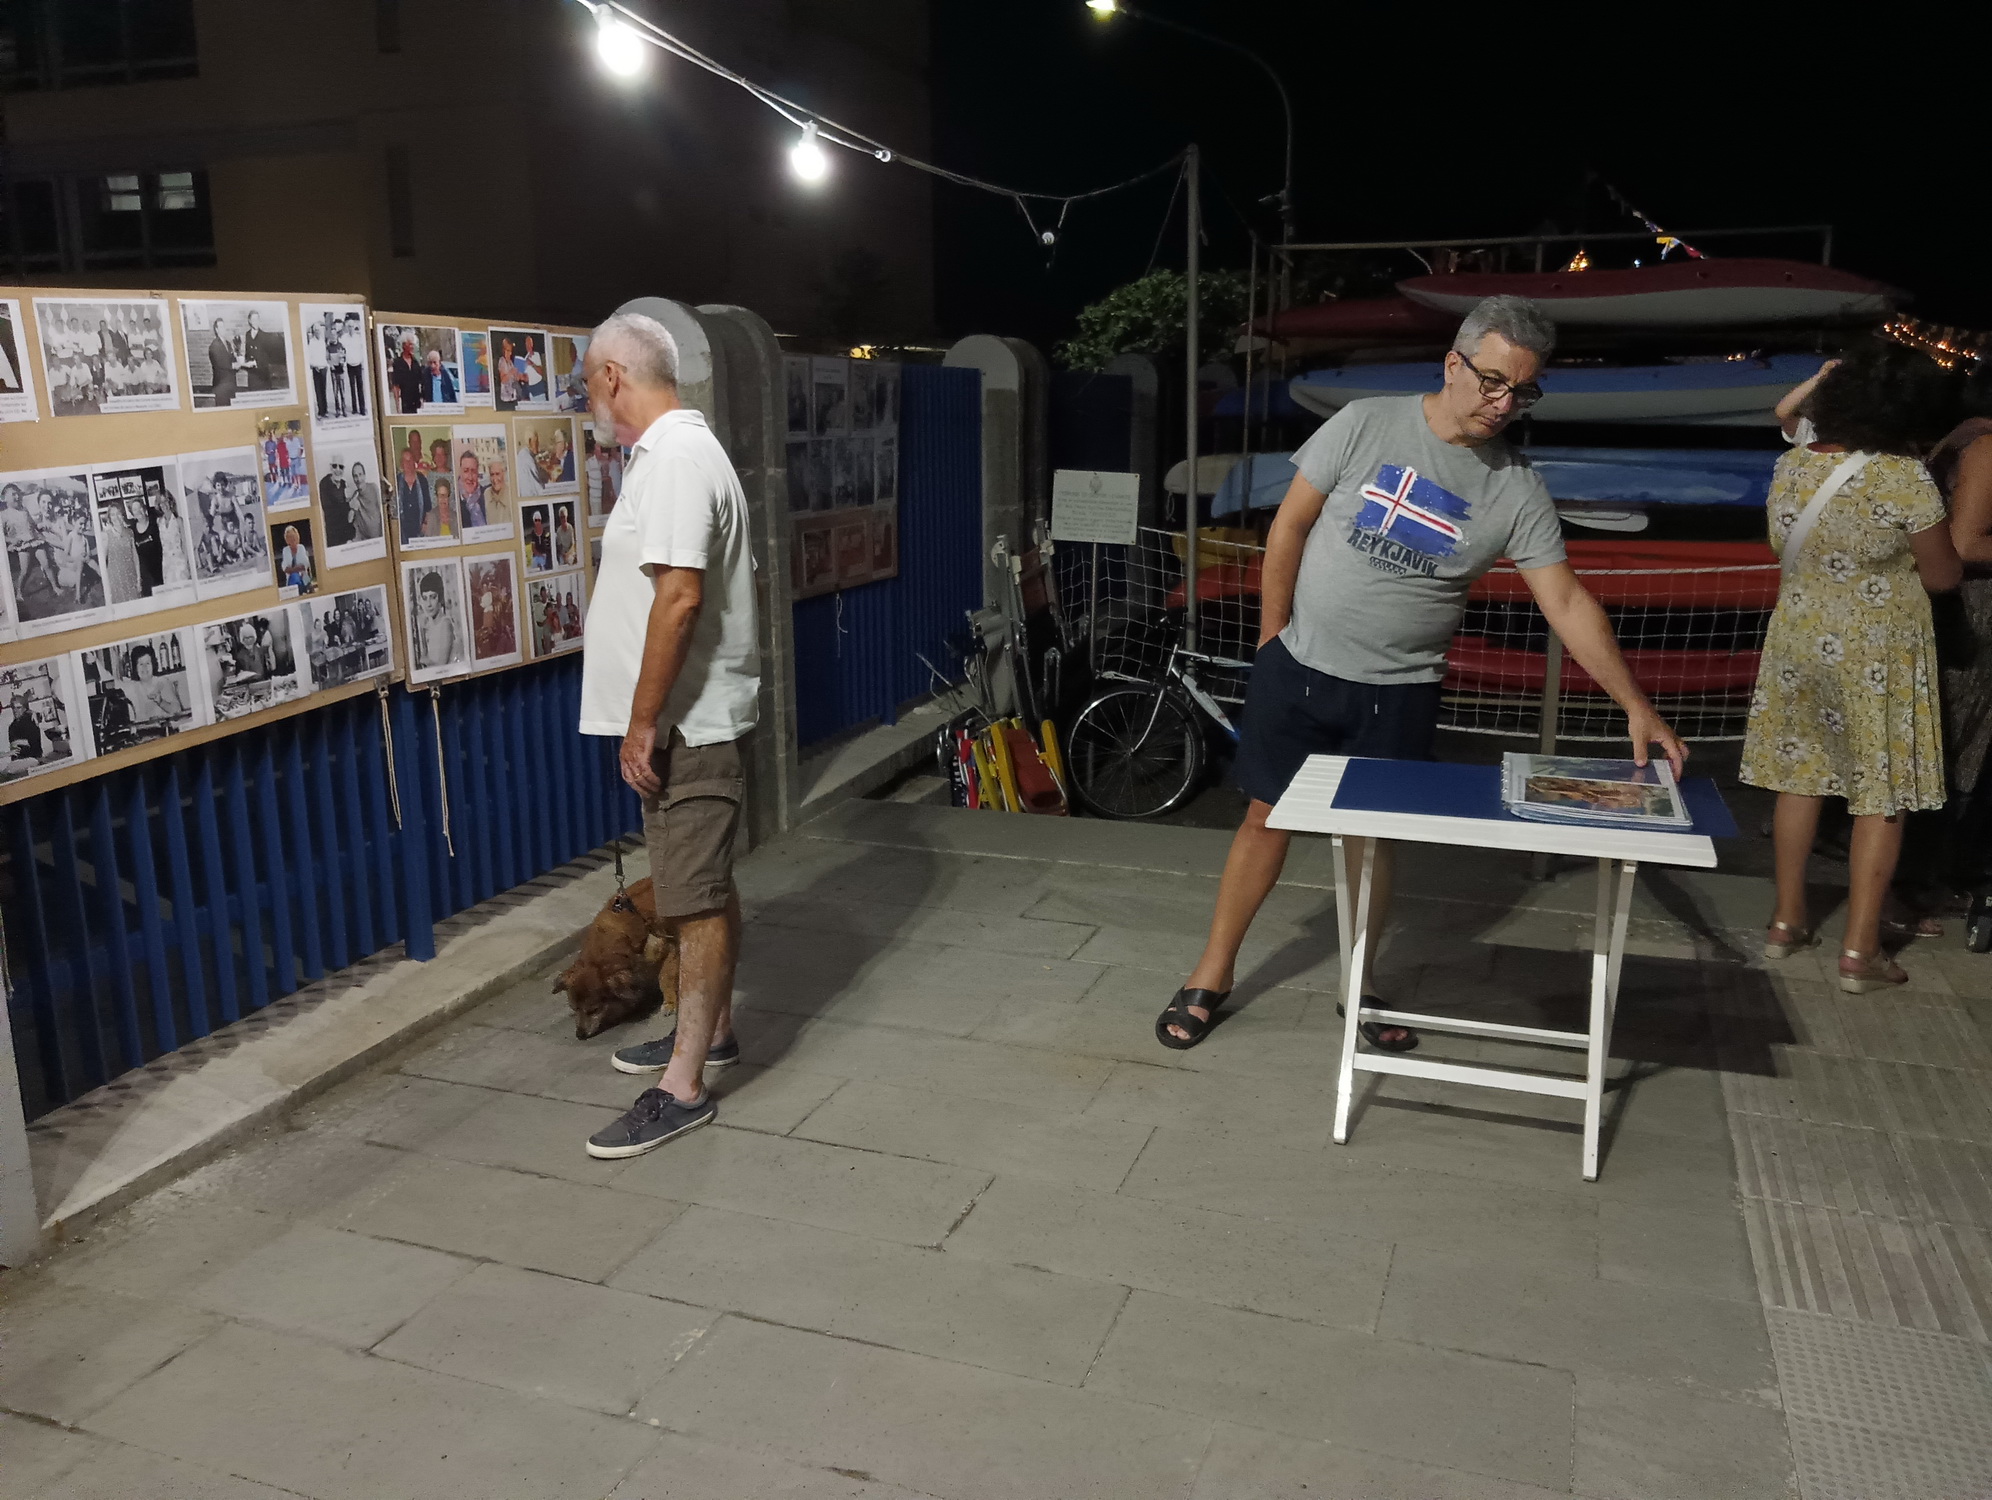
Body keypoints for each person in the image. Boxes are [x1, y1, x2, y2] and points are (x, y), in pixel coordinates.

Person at [1157, 296, 1687, 1051]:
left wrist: (1635, 703)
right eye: (1493, 382)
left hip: (1400, 693)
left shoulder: (1515, 486)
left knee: (1373, 842)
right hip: (1299, 668)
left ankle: (1361, 983)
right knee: (1264, 818)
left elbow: (1566, 601)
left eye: (1522, 392)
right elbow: (1290, 526)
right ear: (1452, 364)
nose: (1503, 404)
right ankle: (1212, 972)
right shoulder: (1366, 423)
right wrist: (1272, 639)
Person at [577, 310, 761, 1158]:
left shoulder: (678, 459)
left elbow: (680, 598)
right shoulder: (670, 454)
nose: (589, 398)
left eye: (588, 382)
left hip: (686, 723)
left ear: (613, 376)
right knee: (702, 885)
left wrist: (644, 722)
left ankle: (683, 1087)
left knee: (692, 901)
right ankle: (709, 1033)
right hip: (681, 720)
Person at [1741, 344, 1962, 992]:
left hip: (1798, 640)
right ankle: (1861, 951)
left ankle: (1786, 922)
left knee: (1799, 779)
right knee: (1882, 794)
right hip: (1879, 651)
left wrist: (1821, 376)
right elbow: (1943, 576)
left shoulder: (1793, 465)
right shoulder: (1903, 477)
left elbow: (1782, 537)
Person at [415, 570, 458, 670]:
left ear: (440, 598)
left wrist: (424, 661)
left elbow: (441, 667)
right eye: (425, 598)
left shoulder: (445, 624)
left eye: (433, 597)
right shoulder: (430, 625)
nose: (428, 604)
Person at [395, 449, 430, 544]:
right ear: (401, 464)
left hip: (420, 528)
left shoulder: (422, 480)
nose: (408, 463)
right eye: (405, 461)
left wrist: (425, 523)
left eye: (410, 460)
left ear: (414, 461)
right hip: (402, 531)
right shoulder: (396, 480)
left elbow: (427, 505)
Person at [390, 334, 423, 414]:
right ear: (404, 345)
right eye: (410, 344)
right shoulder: (398, 363)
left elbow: (421, 383)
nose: (412, 347)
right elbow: (396, 386)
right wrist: (398, 406)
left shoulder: (416, 363)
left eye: (413, 344)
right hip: (405, 402)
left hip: (416, 402)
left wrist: (422, 401)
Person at [457, 448, 487, 529]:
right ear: (460, 472)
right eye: (466, 471)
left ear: (477, 473)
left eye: (473, 471)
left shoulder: (487, 495)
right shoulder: (453, 499)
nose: (470, 477)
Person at [278, 524, 314, 592]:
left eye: (293, 536)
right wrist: (296, 569)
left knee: (300, 578)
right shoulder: (285, 550)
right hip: (292, 580)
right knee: (294, 576)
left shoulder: (301, 547)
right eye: (290, 537)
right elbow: (285, 569)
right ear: (287, 539)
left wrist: (292, 569)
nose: (292, 539)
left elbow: (304, 565)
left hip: (303, 578)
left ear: (297, 536)